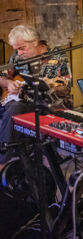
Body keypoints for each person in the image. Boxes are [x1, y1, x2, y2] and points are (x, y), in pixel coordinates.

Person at [0, 25, 71, 163]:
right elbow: (2, 76)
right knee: (14, 107)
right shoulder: (17, 57)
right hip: (23, 100)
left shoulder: (57, 57)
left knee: (14, 109)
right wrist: (8, 84)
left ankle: (2, 160)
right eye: (16, 49)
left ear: (35, 42)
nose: (18, 53)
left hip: (48, 103)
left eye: (22, 48)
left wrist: (41, 85)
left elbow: (64, 88)